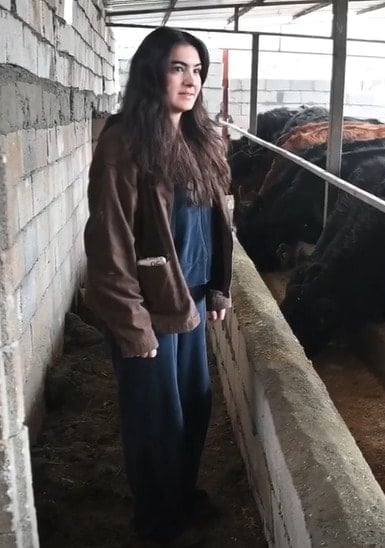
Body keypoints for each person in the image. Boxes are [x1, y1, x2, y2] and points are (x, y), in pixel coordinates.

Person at [82, 26, 234, 547]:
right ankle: (158, 524)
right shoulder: (124, 143)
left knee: (195, 404)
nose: (191, 81)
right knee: (155, 419)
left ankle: (181, 498)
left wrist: (218, 286)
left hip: (190, 299)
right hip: (150, 308)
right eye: (178, 68)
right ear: (152, 73)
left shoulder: (200, 139)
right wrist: (132, 325)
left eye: (197, 70)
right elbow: (110, 241)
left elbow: (215, 222)